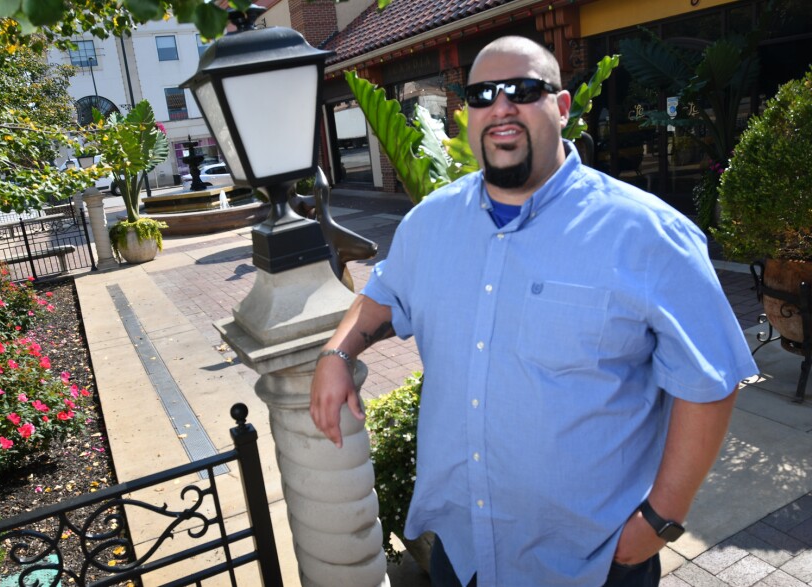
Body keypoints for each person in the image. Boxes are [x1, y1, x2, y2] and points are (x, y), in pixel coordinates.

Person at [310, 36, 757, 587]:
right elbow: (384, 293)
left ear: (562, 107)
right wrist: (338, 351)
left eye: (522, 90)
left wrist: (659, 519)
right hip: (463, 551)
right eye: (481, 95)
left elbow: (709, 381)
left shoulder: (646, 234)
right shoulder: (429, 223)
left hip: (591, 561)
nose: (500, 106)